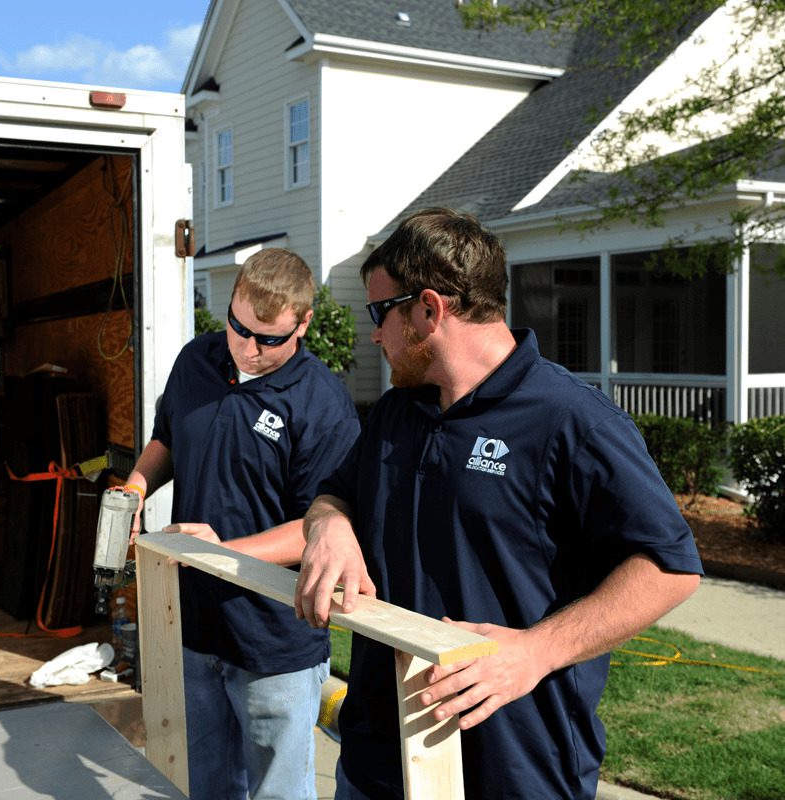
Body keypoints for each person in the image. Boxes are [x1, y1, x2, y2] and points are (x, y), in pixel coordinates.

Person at [293, 208, 703, 800]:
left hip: (514, 770)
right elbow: (333, 495)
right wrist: (328, 526)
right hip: (378, 761)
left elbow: (669, 567)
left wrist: (535, 652)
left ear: (429, 310)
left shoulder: (570, 419)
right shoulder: (393, 414)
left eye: (381, 313)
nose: (376, 334)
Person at [123, 248, 360, 800]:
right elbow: (168, 439)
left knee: (277, 791)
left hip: (274, 639)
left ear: (303, 323)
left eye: (268, 339)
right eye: (238, 328)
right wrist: (135, 485)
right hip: (194, 625)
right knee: (204, 785)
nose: (248, 349)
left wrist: (224, 549)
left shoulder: (322, 404)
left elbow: (319, 523)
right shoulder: (196, 360)